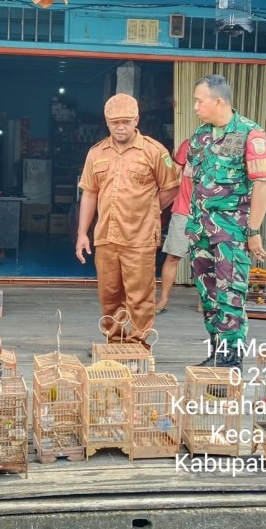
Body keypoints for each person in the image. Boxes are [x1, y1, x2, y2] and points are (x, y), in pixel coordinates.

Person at [76, 93, 180, 346]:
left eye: (125, 121)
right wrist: (82, 234)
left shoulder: (155, 151)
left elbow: (170, 187)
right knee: (109, 295)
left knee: (140, 297)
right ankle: (115, 343)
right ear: (106, 122)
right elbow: (89, 193)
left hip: (140, 237)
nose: (120, 127)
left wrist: (148, 210)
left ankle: (138, 346)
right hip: (106, 237)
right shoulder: (96, 153)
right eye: (114, 122)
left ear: (136, 120)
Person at [187, 74, 266, 371]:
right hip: (201, 231)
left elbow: (262, 184)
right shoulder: (201, 135)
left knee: (230, 295)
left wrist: (253, 231)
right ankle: (216, 353)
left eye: (200, 101)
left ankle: (231, 360)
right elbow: (190, 177)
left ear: (218, 101)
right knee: (207, 294)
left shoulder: (252, 135)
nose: (196, 106)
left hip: (232, 232)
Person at [156, 138, 202, 315]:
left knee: (206, 261)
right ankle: (163, 300)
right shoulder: (189, 145)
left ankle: (203, 301)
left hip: (209, 214)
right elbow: (172, 174)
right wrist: (159, 202)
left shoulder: (223, 148)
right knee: (173, 257)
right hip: (183, 210)